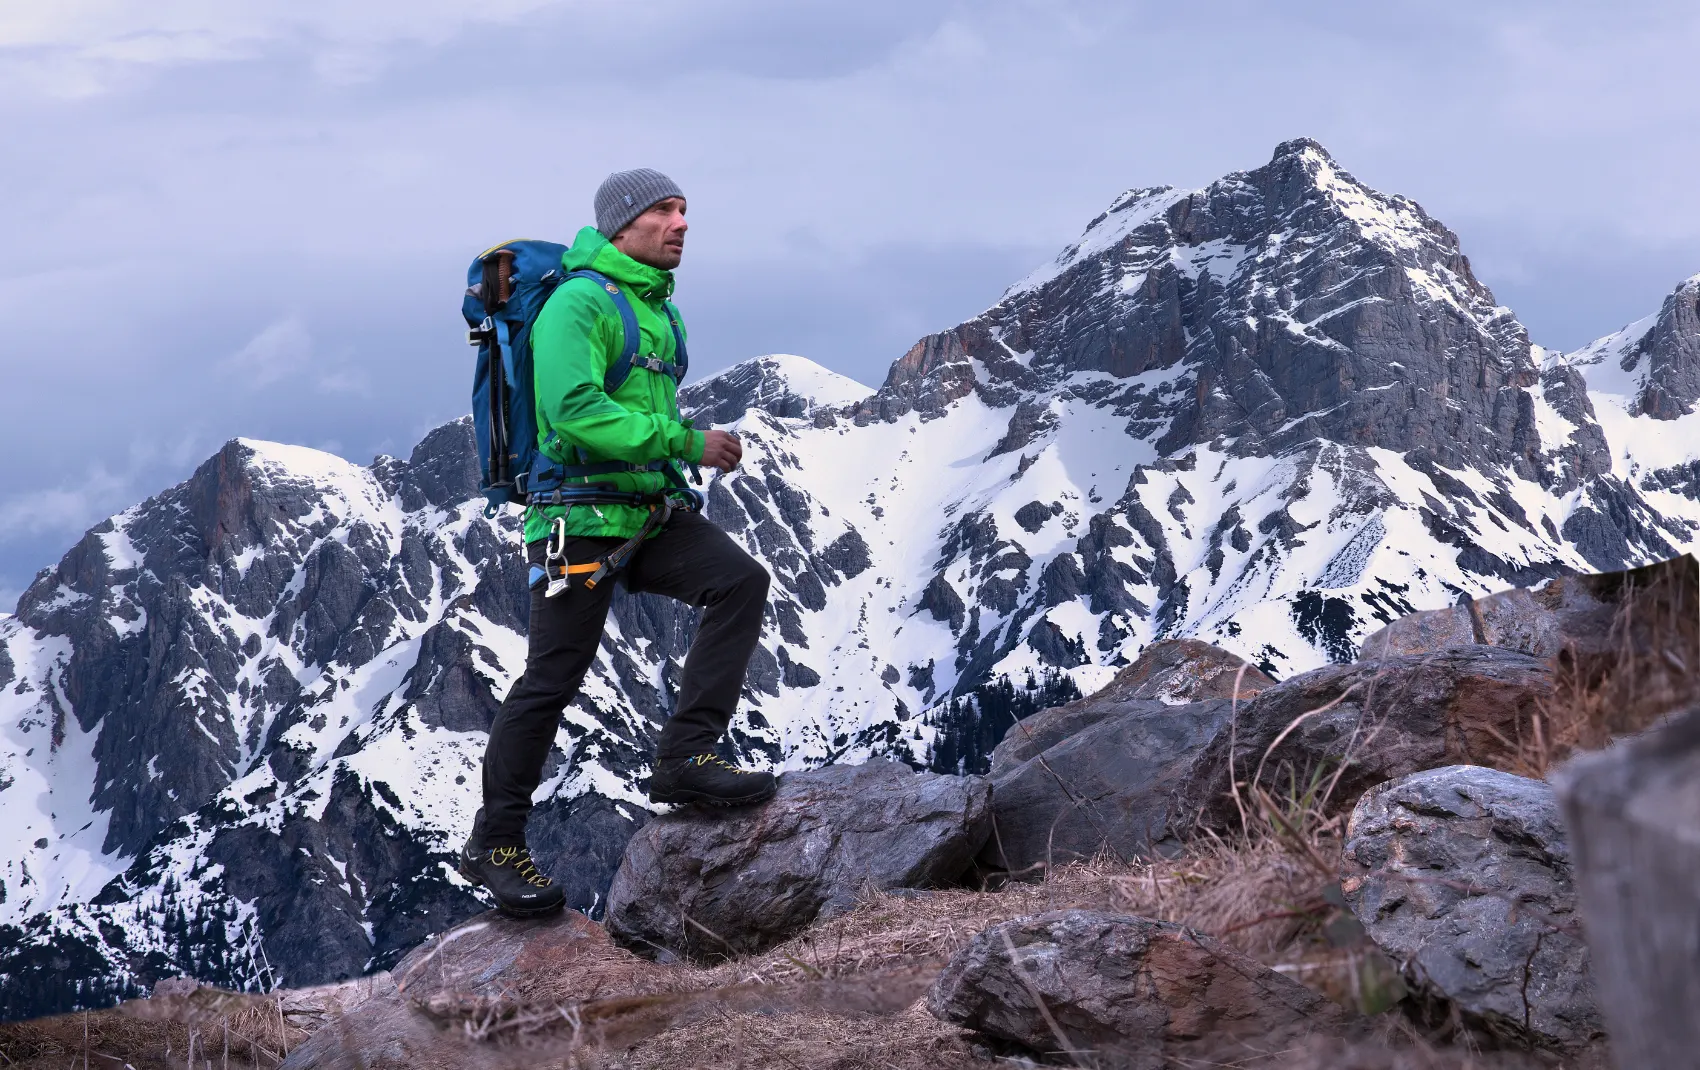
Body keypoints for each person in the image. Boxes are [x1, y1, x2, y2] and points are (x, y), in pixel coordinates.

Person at [460, 168, 776, 916]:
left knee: (739, 582)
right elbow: (571, 412)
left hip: (647, 510)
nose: (681, 223)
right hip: (578, 519)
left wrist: (674, 459)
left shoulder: (659, 312)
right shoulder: (577, 303)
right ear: (621, 225)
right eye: (665, 210)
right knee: (552, 680)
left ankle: (686, 758)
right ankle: (495, 843)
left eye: (685, 210)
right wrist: (685, 441)